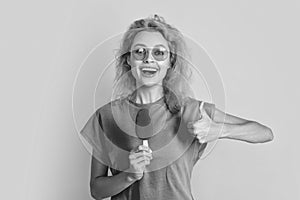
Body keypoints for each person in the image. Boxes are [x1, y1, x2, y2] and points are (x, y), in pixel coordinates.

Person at [80, 14, 274, 200]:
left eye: (159, 52)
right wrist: (128, 175)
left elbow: (264, 133)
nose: (149, 59)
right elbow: (96, 190)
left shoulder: (192, 112)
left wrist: (219, 130)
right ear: (128, 60)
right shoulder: (107, 116)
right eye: (140, 52)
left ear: (170, 61)